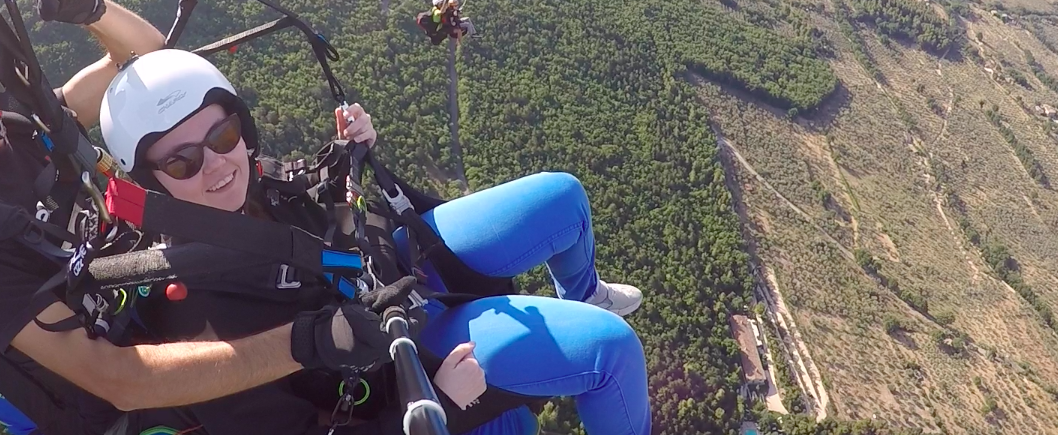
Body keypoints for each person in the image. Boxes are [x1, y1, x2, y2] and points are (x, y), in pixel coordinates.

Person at [0, 0, 394, 435]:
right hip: (163, 386)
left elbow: (148, 56)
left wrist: (89, 8)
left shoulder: (26, 129)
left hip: (168, 291)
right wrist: (311, 341)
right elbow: (120, 381)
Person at [99, 49, 652, 435]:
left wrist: (349, 152)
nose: (216, 164)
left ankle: (584, 294)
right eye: (182, 160)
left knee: (563, 199)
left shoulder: (252, 181)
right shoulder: (195, 321)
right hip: (401, 346)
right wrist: (441, 402)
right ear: (152, 185)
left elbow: (310, 185)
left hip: (383, 267)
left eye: (222, 135)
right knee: (611, 350)